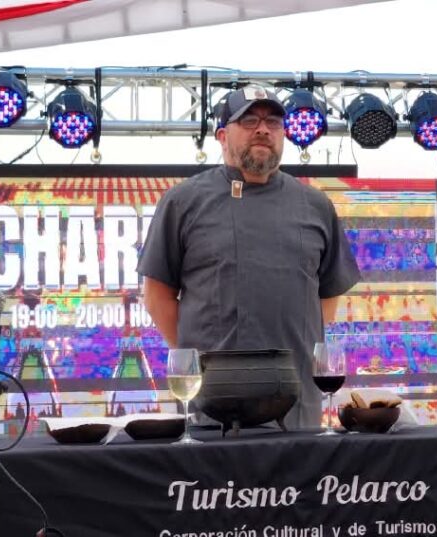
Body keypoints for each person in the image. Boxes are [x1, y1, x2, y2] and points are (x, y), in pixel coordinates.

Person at [137, 84, 361, 429]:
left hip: (298, 410)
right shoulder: (183, 202)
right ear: (222, 136)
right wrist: (200, 363)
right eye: (249, 121)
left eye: (273, 122)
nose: (263, 130)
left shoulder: (315, 205)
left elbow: (326, 298)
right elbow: (157, 298)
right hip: (214, 412)